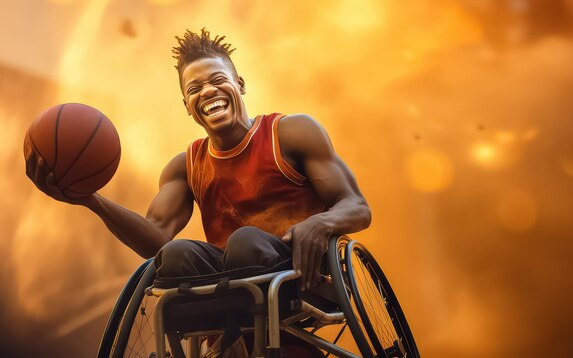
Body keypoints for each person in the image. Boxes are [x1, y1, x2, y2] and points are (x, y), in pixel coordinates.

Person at [25, 28, 371, 356]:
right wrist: (90, 200)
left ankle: (232, 337)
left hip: (298, 274)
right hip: (232, 288)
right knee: (174, 254)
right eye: (194, 89)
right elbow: (155, 239)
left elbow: (357, 206)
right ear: (187, 106)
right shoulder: (185, 165)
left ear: (240, 85)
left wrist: (320, 224)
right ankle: (230, 341)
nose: (207, 91)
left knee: (245, 242)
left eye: (218, 80)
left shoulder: (291, 132)